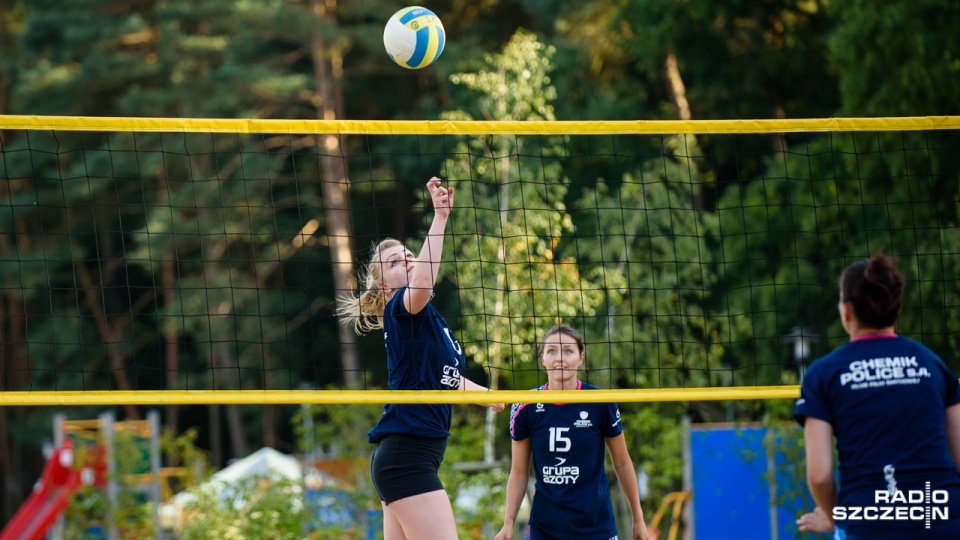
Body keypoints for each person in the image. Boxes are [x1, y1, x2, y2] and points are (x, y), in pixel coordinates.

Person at [337, 177, 504, 540]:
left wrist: (486, 395)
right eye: (396, 262)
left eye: (409, 255)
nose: (408, 260)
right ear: (385, 285)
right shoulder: (402, 307)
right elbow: (425, 282)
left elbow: (443, 376)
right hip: (406, 457)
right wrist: (440, 216)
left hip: (409, 456)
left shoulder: (429, 321)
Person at [794, 252, 960, 539]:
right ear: (896, 308)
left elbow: (819, 475)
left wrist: (838, 516)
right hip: (942, 518)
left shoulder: (824, 373)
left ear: (846, 312)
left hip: (870, 522)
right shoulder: (932, 364)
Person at [495, 323, 649, 540]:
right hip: (546, 528)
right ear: (543, 359)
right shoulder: (525, 405)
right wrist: (508, 523)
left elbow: (622, 462)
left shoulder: (600, 401)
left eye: (568, 351)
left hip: (596, 526)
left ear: (581, 357)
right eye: (552, 351)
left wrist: (638, 519)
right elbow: (519, 472)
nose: (560, 358)